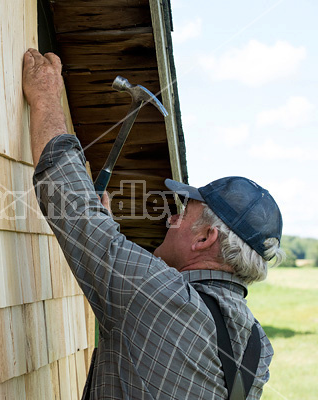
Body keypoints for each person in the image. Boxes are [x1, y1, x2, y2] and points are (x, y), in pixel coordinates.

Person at [22, 48, 284, 399]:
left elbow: (70, 203)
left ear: (206, 237)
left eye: (183, 212)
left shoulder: (161, 296)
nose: (171, 217)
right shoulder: (256, 346)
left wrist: (45, 99)